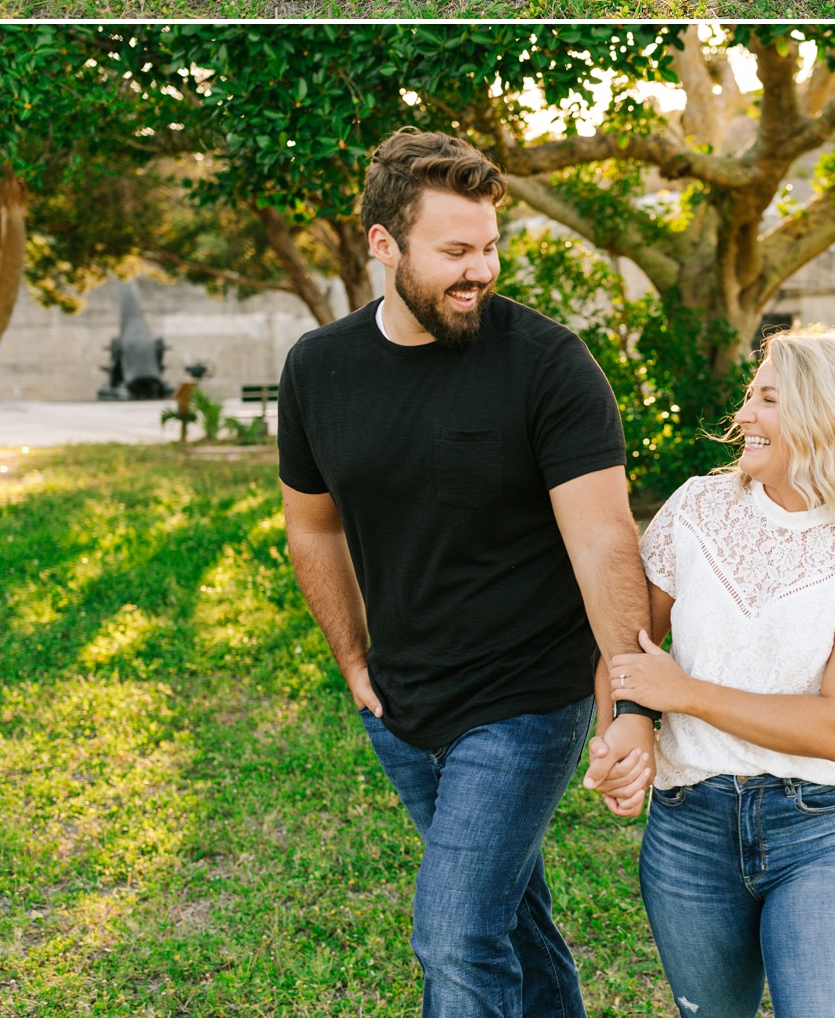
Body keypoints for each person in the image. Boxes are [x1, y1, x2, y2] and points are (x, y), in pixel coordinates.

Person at [276, 129, 654, 1017]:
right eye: (454, 250)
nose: (480, 268)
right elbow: (311, 527)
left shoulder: (547, 363)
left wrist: (631, 702)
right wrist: (353, 660)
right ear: (383, 243)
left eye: (489, 245)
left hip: (527, 697)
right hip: (402, 708)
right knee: (508, 919)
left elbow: (604, 539)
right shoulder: (318, 368)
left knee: (453, 931)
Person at [588, 330, 835, 1019]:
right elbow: (627, 647)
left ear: (830, 416)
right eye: (750, 395)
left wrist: (684, 695)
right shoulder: (696, 506)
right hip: (689, 828)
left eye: (768, 399)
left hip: (824, 828)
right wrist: (624, 728)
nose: (743, 414)